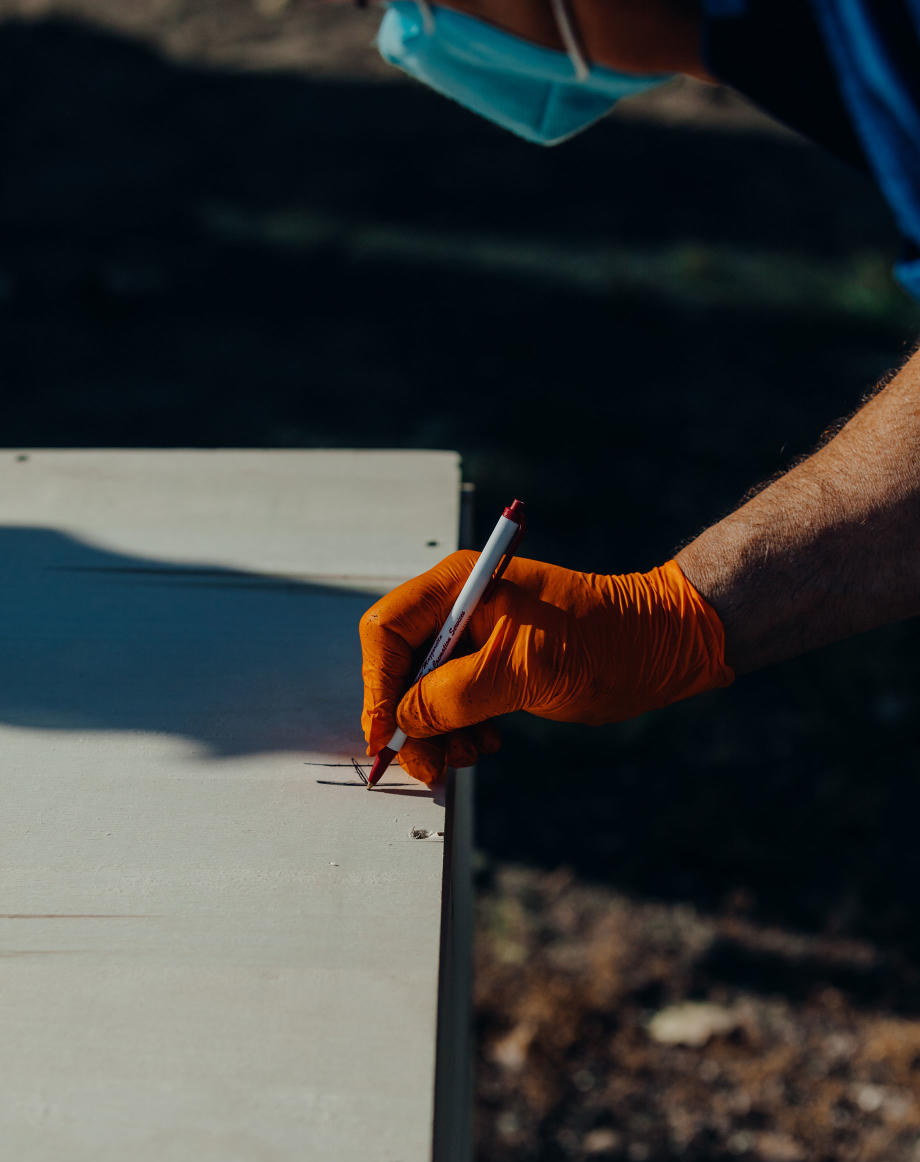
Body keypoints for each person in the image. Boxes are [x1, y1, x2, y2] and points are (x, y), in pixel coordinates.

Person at [354, 0, 920, 786]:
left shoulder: (879, 27)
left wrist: (679, 620)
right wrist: (670, 620)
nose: (403, 31)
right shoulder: (805, 44)